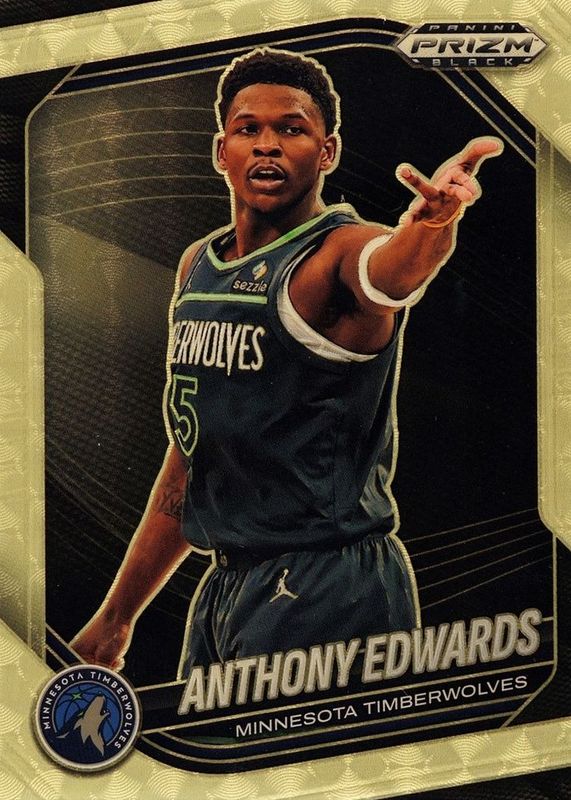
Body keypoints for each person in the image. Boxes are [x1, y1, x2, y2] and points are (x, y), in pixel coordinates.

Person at [71, 48, 501, 678]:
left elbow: (390, 271)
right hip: (225, 586)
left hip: (330, 585)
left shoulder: (338, 251)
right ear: (222, 151)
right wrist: (117, 617)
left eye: (292, 129)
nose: (268, 144)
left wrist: (431, 227)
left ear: (327, 152)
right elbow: (194, 456)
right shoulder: (198, 265)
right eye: (249, 128)